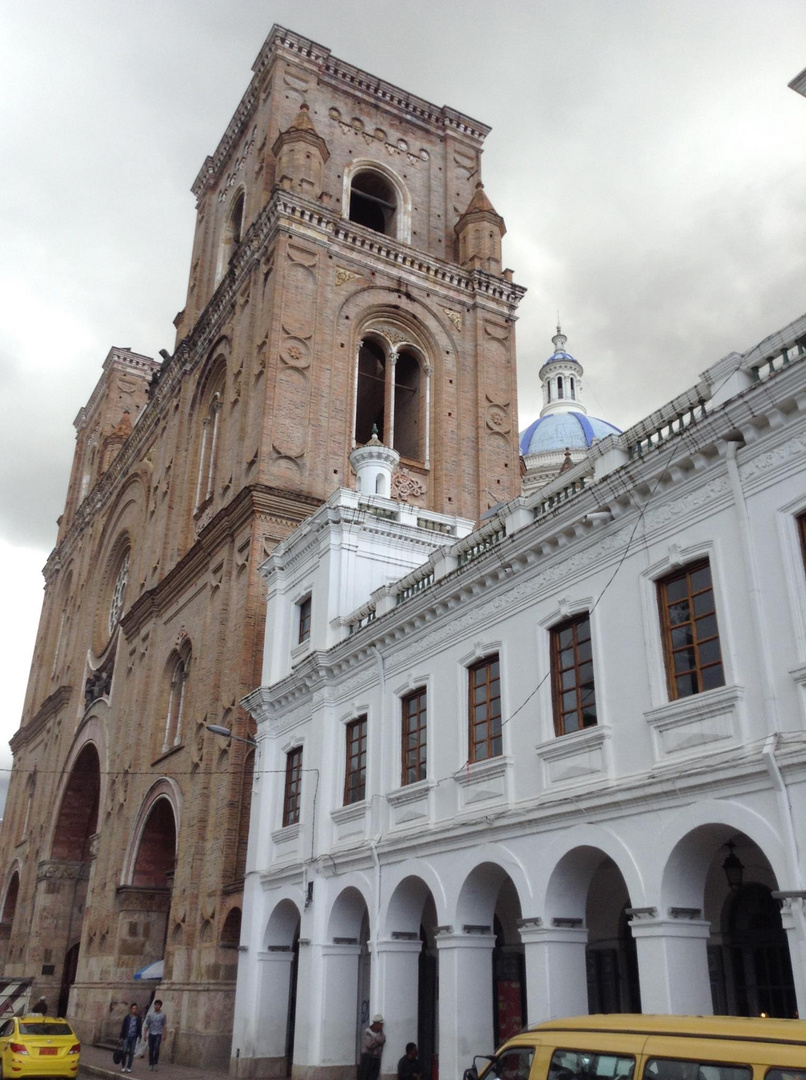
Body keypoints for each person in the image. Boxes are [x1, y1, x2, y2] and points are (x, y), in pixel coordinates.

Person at [358, 1015, 386, 1080]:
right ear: (376, 1024)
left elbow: (383, 1039)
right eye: (380, 1024)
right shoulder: (367, 1031)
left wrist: (375, 1039)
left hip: (376, 1058)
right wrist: (379, 1041)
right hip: (367, 1057)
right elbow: (369, 1044)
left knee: (373, 1076)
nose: (381, 1026)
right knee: (365, 1076)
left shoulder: (380, 1032)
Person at [119, 1003, 142, 1074]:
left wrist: (140, 1036)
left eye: (135, 1008)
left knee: (131, 1052)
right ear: (131, 1009)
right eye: (133, 1008)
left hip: (134, 1037)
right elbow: (123, 1027)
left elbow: (139, 1027)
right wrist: (121, 1037)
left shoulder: (138, 1018)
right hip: (126, 1036)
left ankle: (129, 1067)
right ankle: (123, 1066)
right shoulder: (127, 1017)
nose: (134, 1010)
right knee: (124, 1051)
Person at [144, 1000, 167, 1071]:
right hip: (151, 1033)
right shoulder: (150, 1015)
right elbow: (147, 1025)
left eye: (158, 1005)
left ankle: (155, 1063)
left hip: (158, 1033)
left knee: (156, 1048)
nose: (156, 1006)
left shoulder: (163, 1015)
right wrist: (145, 1034)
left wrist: (165, 1034)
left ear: (160, 1006)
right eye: (155, 1005)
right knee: (151, 1049)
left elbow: (164, 1025)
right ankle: (150, 1064)